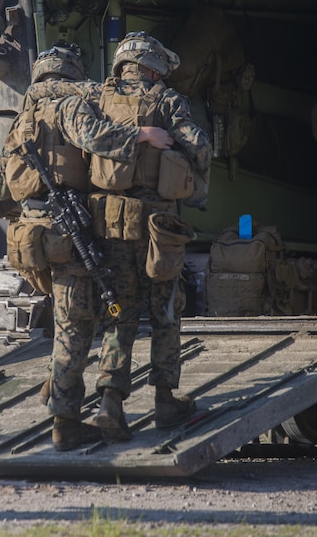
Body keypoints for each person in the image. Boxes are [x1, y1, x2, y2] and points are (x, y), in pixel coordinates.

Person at [0, 43, 173, 451]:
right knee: (79, 328)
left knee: (67, 320)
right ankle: (66, 421)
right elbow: (98, 140)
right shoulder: (67, 107)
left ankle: (58, 390)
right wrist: (143, 133)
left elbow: (0, 186)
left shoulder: (21, 121)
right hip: (67, 230)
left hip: (32, 234)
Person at [86, 32, 211, 437]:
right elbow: (201, 147)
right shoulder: (167, 100)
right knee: (165, 311)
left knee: (118, 313)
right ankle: (164, 403)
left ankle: (110, 403)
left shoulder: (98, 101)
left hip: (109, 224)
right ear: (154, 68)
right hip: (158, 227)